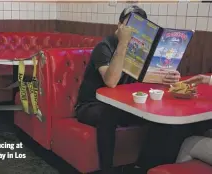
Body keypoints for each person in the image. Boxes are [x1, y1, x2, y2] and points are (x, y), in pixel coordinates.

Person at [75, 5, 187, 174]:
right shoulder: (104, 47)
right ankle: (107, 170)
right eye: (129, 26)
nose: (133, 32)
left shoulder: (140, 50)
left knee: (162, 119)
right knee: (108, 114)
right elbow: (111, 81)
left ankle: (143, 166)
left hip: (123, 105)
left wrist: (167, 77)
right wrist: (123, 41)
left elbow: (144, 76)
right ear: (119, 26)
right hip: (91, 105)